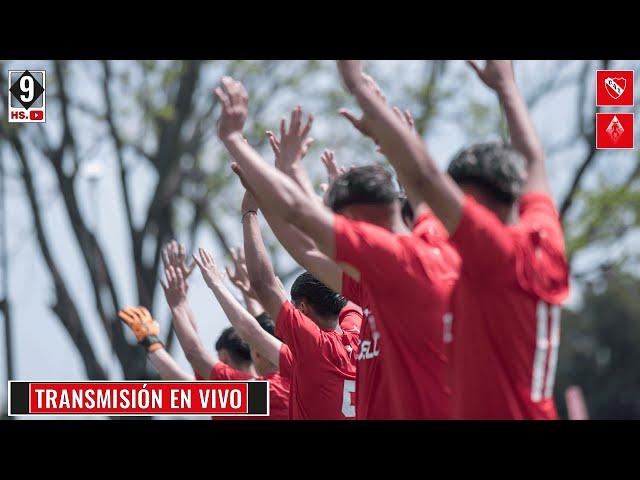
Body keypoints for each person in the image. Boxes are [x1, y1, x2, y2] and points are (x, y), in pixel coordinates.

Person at [214, 77, 459, 419]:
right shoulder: (362, 309)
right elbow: (309, 250)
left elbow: (275, 279)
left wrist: (241, 152)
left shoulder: (308, 357)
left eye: (348, 221)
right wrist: (396, 144)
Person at [337, 60, 569, 419]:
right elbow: (534, 159)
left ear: (475, 202)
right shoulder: (545, 234)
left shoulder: (498, 256)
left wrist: (358, 86)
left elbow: (429, 179)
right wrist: (506, 88)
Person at [240, 188, 361, 420]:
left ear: (303, 308)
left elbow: (261, 284)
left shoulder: (315, 347)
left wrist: (249, 213)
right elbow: (346, 278)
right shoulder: (358, 333)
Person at [160, 241, 290, 419]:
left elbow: (195, 355)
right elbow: (260, 331)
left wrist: (178, 304)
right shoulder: (301, 382)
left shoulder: (254, 395)